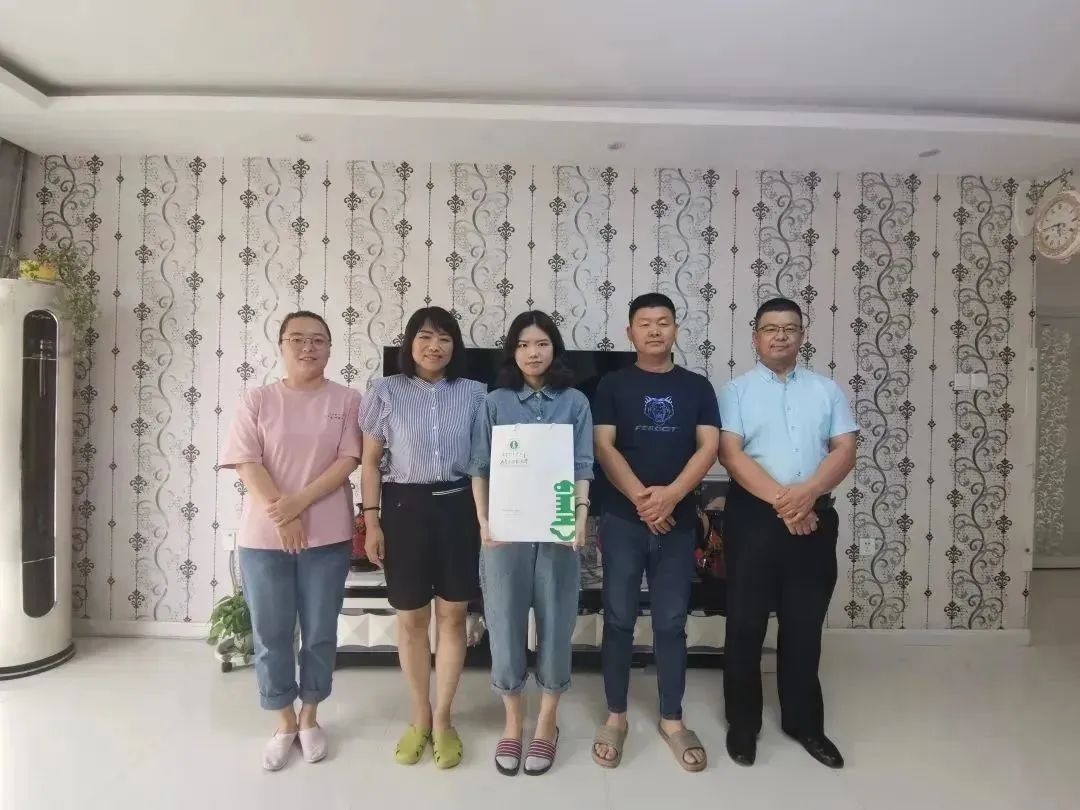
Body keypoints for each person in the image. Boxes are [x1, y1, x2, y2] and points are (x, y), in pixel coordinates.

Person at [717, 296, 857, 769]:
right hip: (754, 519)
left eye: (790, 328)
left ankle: (804, 723)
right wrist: (787, 503)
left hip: (814, 518)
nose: (780, 336)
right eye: (770, 328)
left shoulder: (826, 390)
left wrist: (809, 494)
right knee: (745, 624)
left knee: (803, 624)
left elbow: (844, 449)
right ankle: (743, 723)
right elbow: (731, 455)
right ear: (755, 337)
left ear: (802, 335)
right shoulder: (735, 391)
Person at [219, 310, 362, 771]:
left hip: (328, 537)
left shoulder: (347, 399)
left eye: (318, 340)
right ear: (281, 345)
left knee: (319, 631)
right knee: (272, 633)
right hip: (264, 539)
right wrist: (282, 515)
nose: (308, 347)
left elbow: (347, 461)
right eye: (297, 338)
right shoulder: (258, 399)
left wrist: (297, 504)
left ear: (330, 348)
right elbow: (247, 462)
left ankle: (310, 717)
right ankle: (283, 721)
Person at [590, 292, 721, 772]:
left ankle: (672, 718)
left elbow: (709, 447)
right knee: (618, 618)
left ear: (676, 330)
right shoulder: (612, 384)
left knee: (670, 621)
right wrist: (645, 501)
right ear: (630, 332)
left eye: (663, 322)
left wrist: (670, 497)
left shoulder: (697, 386)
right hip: (622, 520)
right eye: (644, 323)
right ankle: (616, 715)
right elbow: (603, 446)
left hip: (678, 522)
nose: (653, 330)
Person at [359, 306, 487, 770]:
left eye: (445, 338)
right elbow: (370, 462)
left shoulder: (476, 393)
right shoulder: (384, 391)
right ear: (409, 343)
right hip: (403, 509)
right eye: (425, 337)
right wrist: (371, 521)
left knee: (452, 618)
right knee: (411, 619)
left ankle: (445, 717)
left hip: (459, 507)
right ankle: (419, 716)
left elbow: (483, 460)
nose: (435, 346)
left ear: (456, 346)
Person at [469, 311, 593, 777]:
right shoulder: (495, 403)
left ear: (554, 349)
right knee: (503, 622)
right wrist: (483, 520)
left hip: (558, 531)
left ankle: (546, 721)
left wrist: (580, 516)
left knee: (557, 620)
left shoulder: (575, 402)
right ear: (512, 352)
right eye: (523, 345)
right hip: (505, 533)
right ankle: (512, 721)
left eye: (541, 344)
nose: (532, 353)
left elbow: (582, 465)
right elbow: (480, 465)